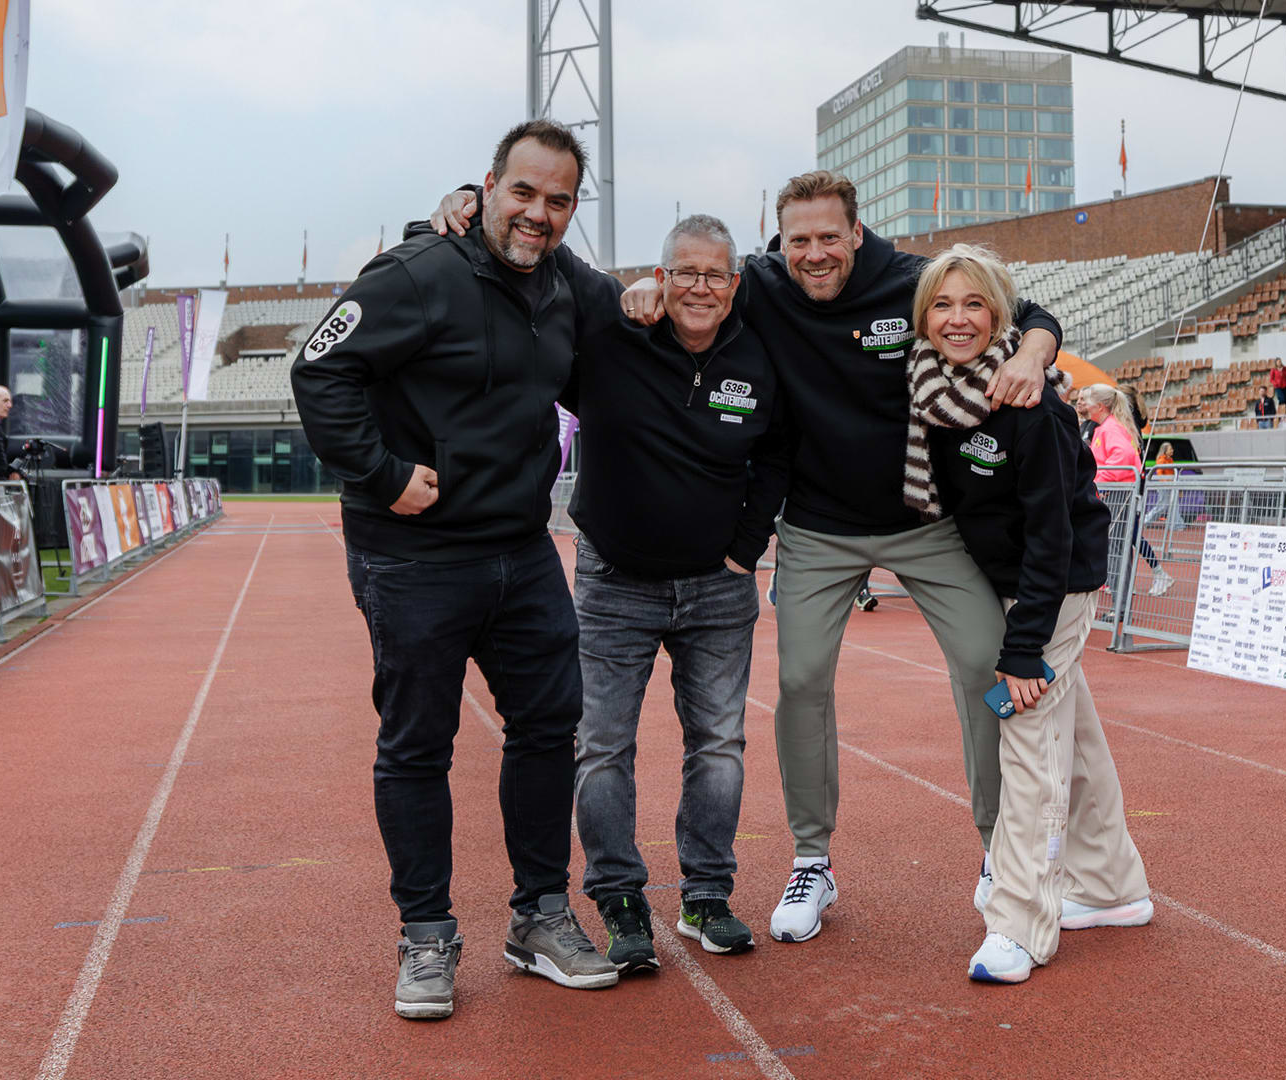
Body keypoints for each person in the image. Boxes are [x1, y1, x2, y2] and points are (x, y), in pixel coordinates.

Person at [445, 171, 1065, 943]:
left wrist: (1034, 352)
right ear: (778, 247)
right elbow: (649, 278)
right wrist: (637, 279)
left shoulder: (911, 283)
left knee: (985, 665)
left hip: (921, 517)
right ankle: (812, 858)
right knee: (800, 680)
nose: (814, 254)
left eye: (828, 238)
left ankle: (996, 851)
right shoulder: (758, 285)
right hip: (818, 526)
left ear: (857, 234)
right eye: (798, 240)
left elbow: (1025, 309)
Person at [295, 121, 618, 1020]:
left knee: (551, 728)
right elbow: (319, 370)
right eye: (524, 193)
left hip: (521, 551)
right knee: (417, 745)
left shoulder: (565, 285)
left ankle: (540, 917)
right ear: (486, 187)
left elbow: (637, 318)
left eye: (558, 201)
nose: (539, 214)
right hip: (414, 557)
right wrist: (381, 475)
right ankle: (427, 935)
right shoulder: (418, 272)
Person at [905, 246, 1148, 984]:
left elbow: (1054, 535)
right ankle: (1112, 889)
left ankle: (1020, 922)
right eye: (943, 305)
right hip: (1002, 581)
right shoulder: (926, 392)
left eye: (974, 304)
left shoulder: (1033, 405)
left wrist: (1023, 647)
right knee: (1070, 731)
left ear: (1001, 315)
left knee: (1029, 738)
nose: (958, 319)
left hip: (1056, 585)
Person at [557, 214, 788, 970]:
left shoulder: (759, 356)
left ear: (734, 285)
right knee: (600, 746)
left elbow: (777, 460)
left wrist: (745, 549)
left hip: (717, 593)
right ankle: (619, 897)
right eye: (682, 271)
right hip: (614, 582)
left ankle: (706, 895)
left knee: (719, 745)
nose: (698, 286)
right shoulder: (609, 341)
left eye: (713, 274)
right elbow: (538, 255)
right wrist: (459, 204)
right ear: (659, 277)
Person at [1084, 383, 1173, 597]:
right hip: (1116, 492)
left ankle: (1122, 599)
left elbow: (1122, 459)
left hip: (1119, 493)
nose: (1083, 404)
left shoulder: (1111, 428)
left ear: (1100, 405)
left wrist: (1095, 480)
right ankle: (1120, 595)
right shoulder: (1106, 427)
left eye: (1086, 399)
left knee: (1121, 544)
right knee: (1121, 544)